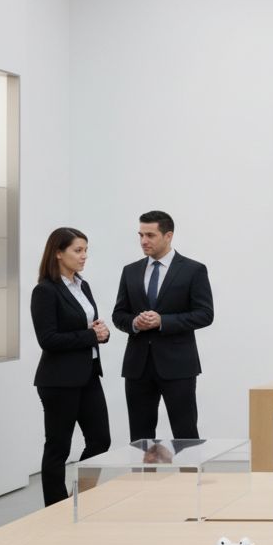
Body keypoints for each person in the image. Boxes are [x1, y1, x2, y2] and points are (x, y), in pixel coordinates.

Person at [112, 211, 214, 441]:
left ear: (168, 236)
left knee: (185, 433)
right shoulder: (131, 270)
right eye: (140, 235)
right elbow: (119, 314)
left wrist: (163, 321)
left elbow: (205, 314)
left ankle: (189, 477)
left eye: (150, 235)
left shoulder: (193, 270)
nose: (143, 241)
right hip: (138, 366)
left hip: (178, 366)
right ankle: (143, 478)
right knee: (140, 436)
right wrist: (135, 323)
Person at [30, 227, 111, 506]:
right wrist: (90, 335)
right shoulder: (44, 291)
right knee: (58, 448)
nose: (84, 256)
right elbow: (48, 339)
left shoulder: (82, 285)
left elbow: (86, 326)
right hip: (58, 381)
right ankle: (55, 507)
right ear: (58, 253)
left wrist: (102, 332)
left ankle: (80, 500)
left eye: (86, 250)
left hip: (88, 375)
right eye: (78, 250)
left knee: (101, 441)